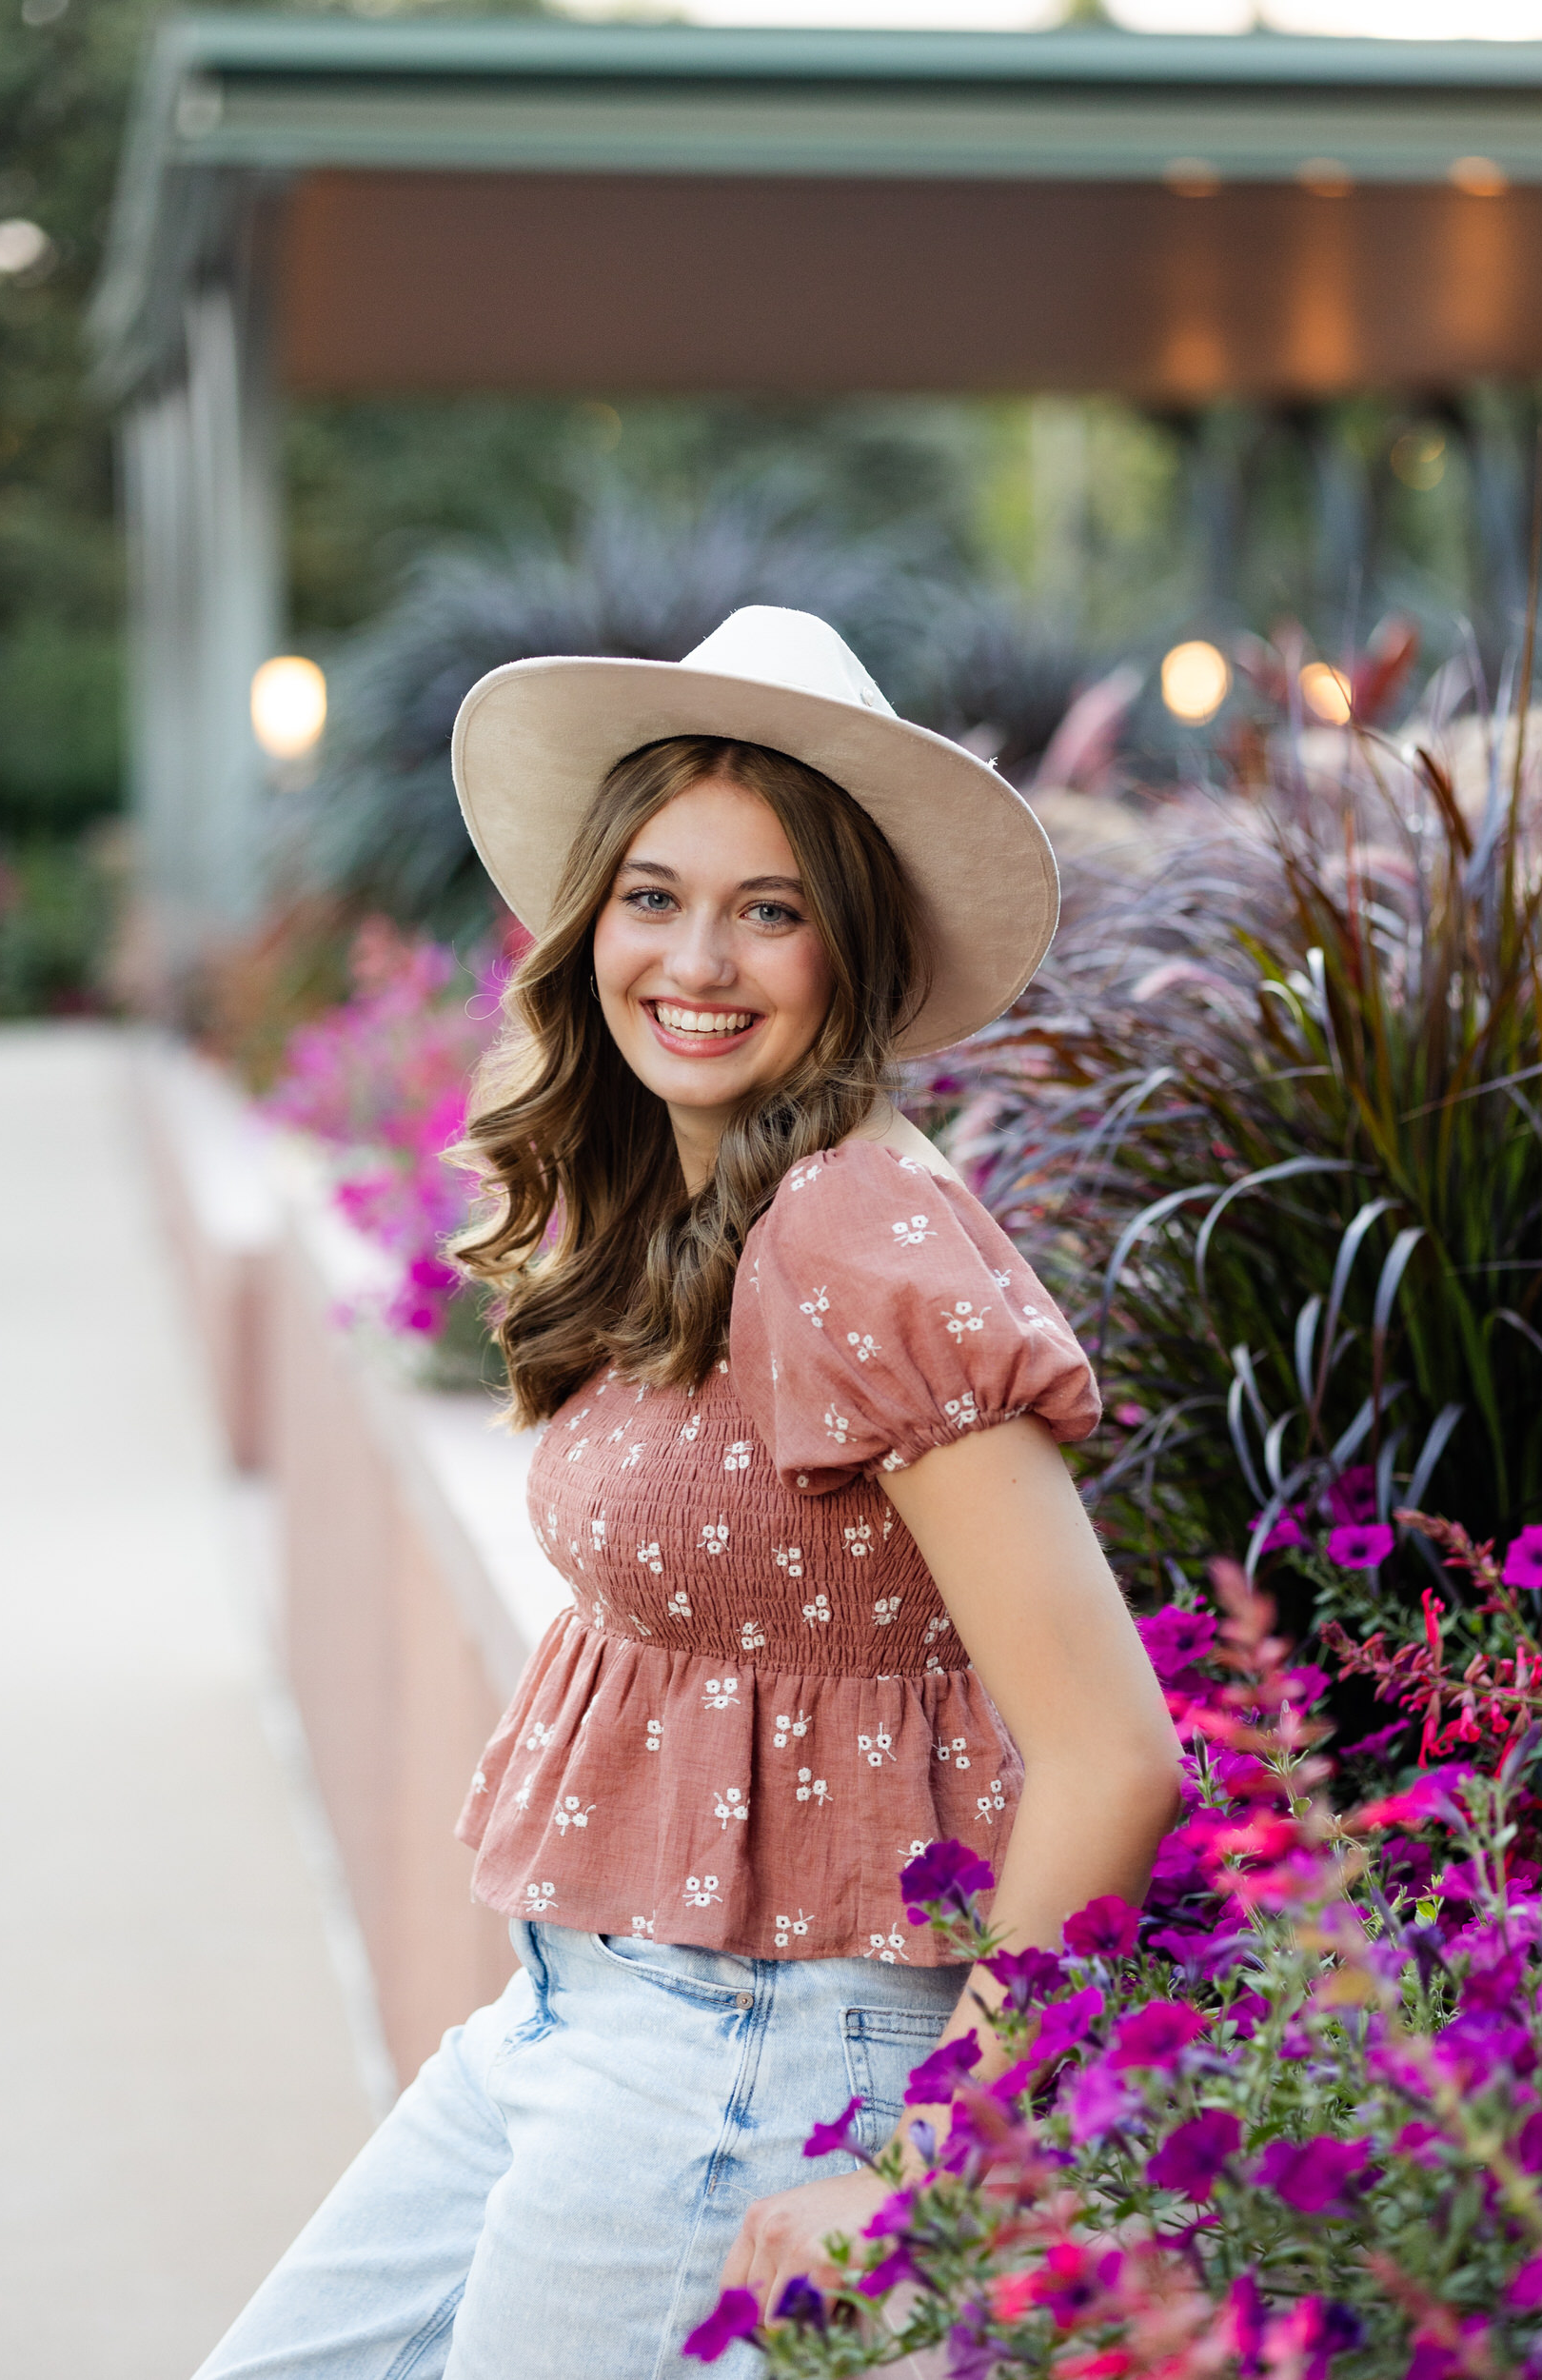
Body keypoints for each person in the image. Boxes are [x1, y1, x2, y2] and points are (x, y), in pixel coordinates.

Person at [196, 607, 1182, 2380]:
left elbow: (1114, 1748)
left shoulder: (854, 1230)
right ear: (591, 928)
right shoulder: (706, 1198)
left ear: (850, 947)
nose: (697, 959)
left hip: (756, 2055)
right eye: (654, 896)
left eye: (770, 907)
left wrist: (922, 2165)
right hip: (590, 2010)